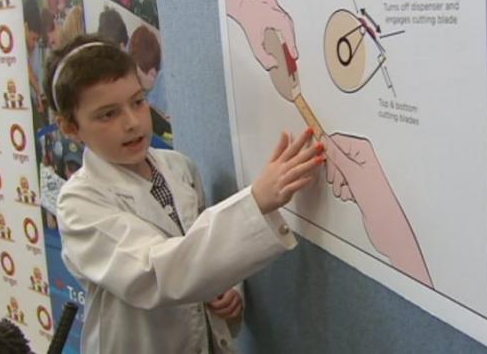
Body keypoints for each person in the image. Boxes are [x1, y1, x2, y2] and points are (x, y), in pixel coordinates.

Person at [44, 34, 326, 353]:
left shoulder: (178, 167)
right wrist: (256, 201)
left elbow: (202, 244)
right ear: (70, 127)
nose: (132, 122)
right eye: (108, 114)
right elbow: (156, 272)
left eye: (138, 101)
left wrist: (228, 289)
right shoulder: (79, 204)